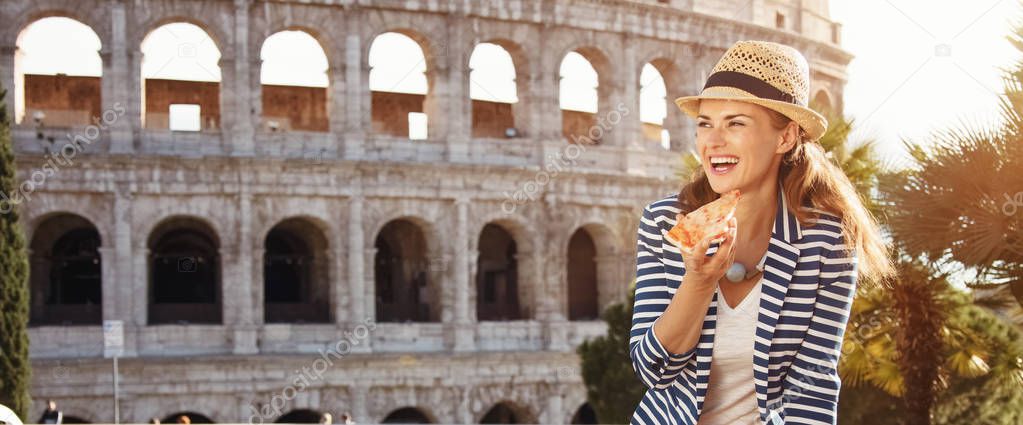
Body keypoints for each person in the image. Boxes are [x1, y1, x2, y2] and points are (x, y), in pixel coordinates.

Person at [628, 40, 893, 425]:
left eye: (735, 123)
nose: (713, 141)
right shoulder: (664, 223)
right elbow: (654, 371)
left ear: (784, 138)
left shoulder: (829, 242)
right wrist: (699, 281)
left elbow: (814, 389)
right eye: (705, 124)